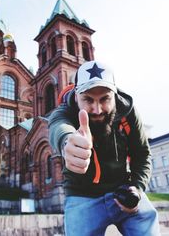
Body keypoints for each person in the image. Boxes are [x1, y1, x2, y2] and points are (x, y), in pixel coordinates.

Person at [49, 61, 160, 236]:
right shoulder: (65, 111)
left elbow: (142, 153)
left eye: (105, 98)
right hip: (82, 196)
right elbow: (58, 127)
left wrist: (137, 188)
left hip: (123, 190)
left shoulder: (128, 112)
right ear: (76, 96)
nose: (97, 109)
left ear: (114, 95)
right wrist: (67, 142)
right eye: (88, 99)